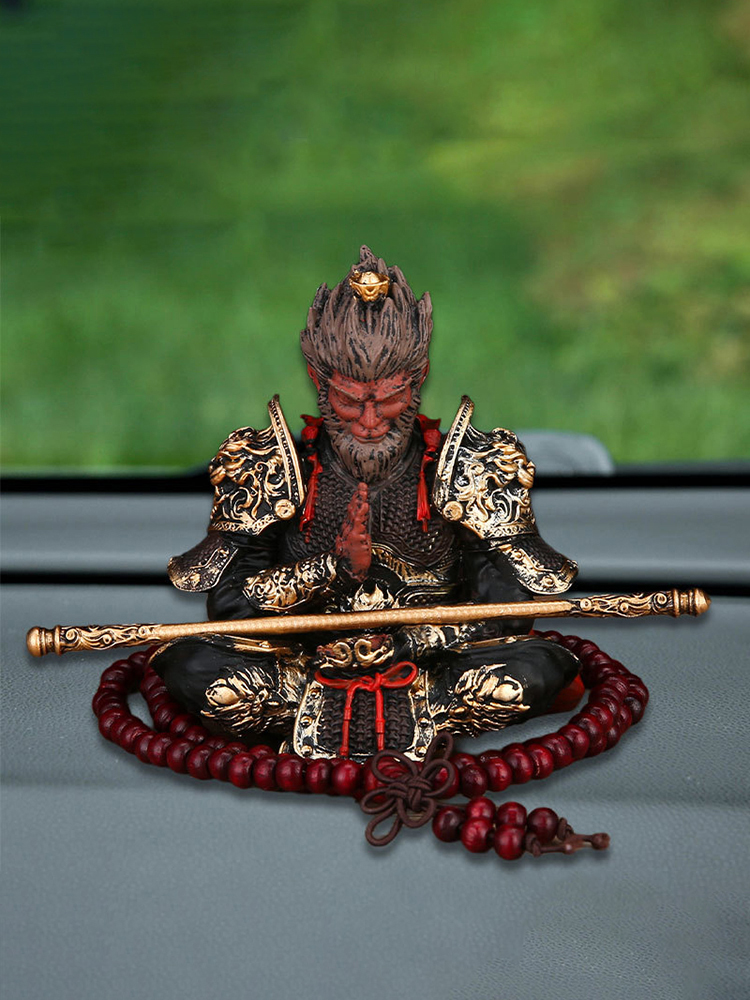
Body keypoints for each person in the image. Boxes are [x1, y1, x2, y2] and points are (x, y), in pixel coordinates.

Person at [151, 247, 580, 761]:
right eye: (350, 401)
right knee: (196, 668)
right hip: (300, 664)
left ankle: (401, 714)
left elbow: (507, 611)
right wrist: (329, 569)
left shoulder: (474, 465)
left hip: (433, 665)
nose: (370, 421)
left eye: (390, 399)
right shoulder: (267, 465)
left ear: (419, 379)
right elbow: (232, 612)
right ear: (319, 383)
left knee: (530, 671)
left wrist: (408, 643)